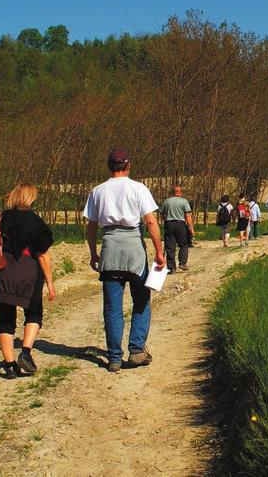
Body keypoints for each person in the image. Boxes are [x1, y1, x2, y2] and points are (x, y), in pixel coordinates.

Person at [84, 148, 165, 373]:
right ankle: (137, 349)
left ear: (109, 166)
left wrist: (93, 253)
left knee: (112, 307)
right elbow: (150, 221)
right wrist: (159, 252)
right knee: (141, 300)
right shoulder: (138, 188)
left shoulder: (97, 191)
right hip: (134, 248)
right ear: (128, 165)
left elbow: (91, 227)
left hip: (110, 246)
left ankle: (114, 358)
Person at [0, 183, 55, 380]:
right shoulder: (36, 223)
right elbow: (43, 255)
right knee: (34, 313)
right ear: (31, 199)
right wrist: (50, 283)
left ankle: (10, 366)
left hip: (2, 273)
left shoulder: (1, 218)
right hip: (28, 272)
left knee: (5, 320)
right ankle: (25, 352)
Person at [159, 186, 195, 273]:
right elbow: (187, 216)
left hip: (169, 224)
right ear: (180, 192)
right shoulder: (184, 201)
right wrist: (191, 229)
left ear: (173, 192)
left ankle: (172, 268)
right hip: (180, 225)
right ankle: (182, 263)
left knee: (170, 247)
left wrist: (166, 219)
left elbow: (161, 214)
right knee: (183, 244)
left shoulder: (167, 201)